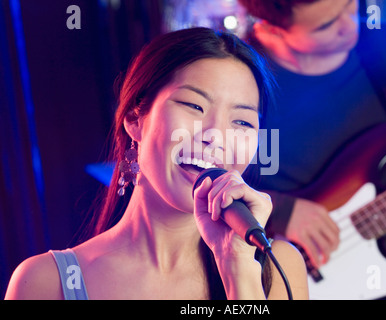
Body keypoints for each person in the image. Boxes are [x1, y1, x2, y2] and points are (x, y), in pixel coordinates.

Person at [5, 27, 308, 300]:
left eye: (242, 121)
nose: (216, 136)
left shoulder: (276, 269)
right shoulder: (46, 282)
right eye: (194, 106)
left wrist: (238, 267)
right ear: (135, 119)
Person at [238, 0, 386, 299]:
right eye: (326, 25)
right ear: (271, 27)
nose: (351, 25)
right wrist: (281, 210)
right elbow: (198, 180)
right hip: (293, 277)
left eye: (351, 5)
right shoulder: (237, 73)